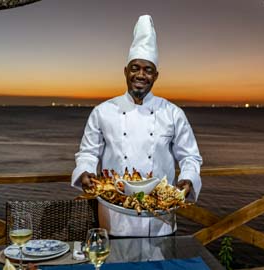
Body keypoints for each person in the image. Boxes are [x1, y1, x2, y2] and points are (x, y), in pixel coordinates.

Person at [71, 14, 202, 237]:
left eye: (148, 70)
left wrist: (188, 178)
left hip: (159, 217)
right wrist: (85, 172)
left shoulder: (172, 113)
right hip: (114, 215)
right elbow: (88, 152)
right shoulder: (102, 111)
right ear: (125, 71)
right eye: (135, 68)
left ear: (156, 76)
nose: (140, 75)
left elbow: (190, 156)